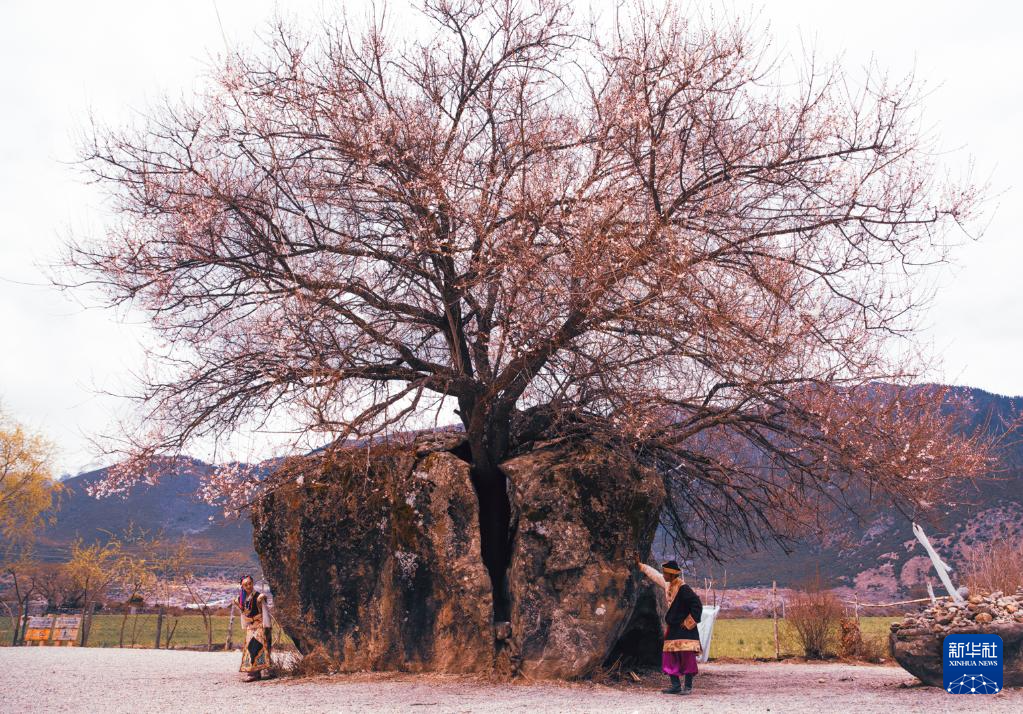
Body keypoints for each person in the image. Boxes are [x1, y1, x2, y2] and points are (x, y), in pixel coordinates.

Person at [634, 554, 703, 695]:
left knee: (686, 657)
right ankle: (676, 686)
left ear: (672, 575)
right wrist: (640, 565)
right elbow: (655, 575)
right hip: (673, 628)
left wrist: (689, 622)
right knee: (669, 656)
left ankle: (688, 687)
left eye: (665, 573)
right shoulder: (668, 584)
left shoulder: (683, 588)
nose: (663, 575)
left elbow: (697, 604)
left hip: (685, 629)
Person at [238, 574, 273, 681]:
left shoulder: (258, 597)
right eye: (245, 585)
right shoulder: (241, 599)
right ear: (242, 586)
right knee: (249, 648)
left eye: (250, 583)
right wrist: (246, 625)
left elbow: (265, 611)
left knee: (258, 646)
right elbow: (243, 614)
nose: (248, 586)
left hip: (260, 625)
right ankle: (253, 671)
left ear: (252, 583)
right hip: (250, 626)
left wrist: (266, 626)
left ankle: (262, 670)